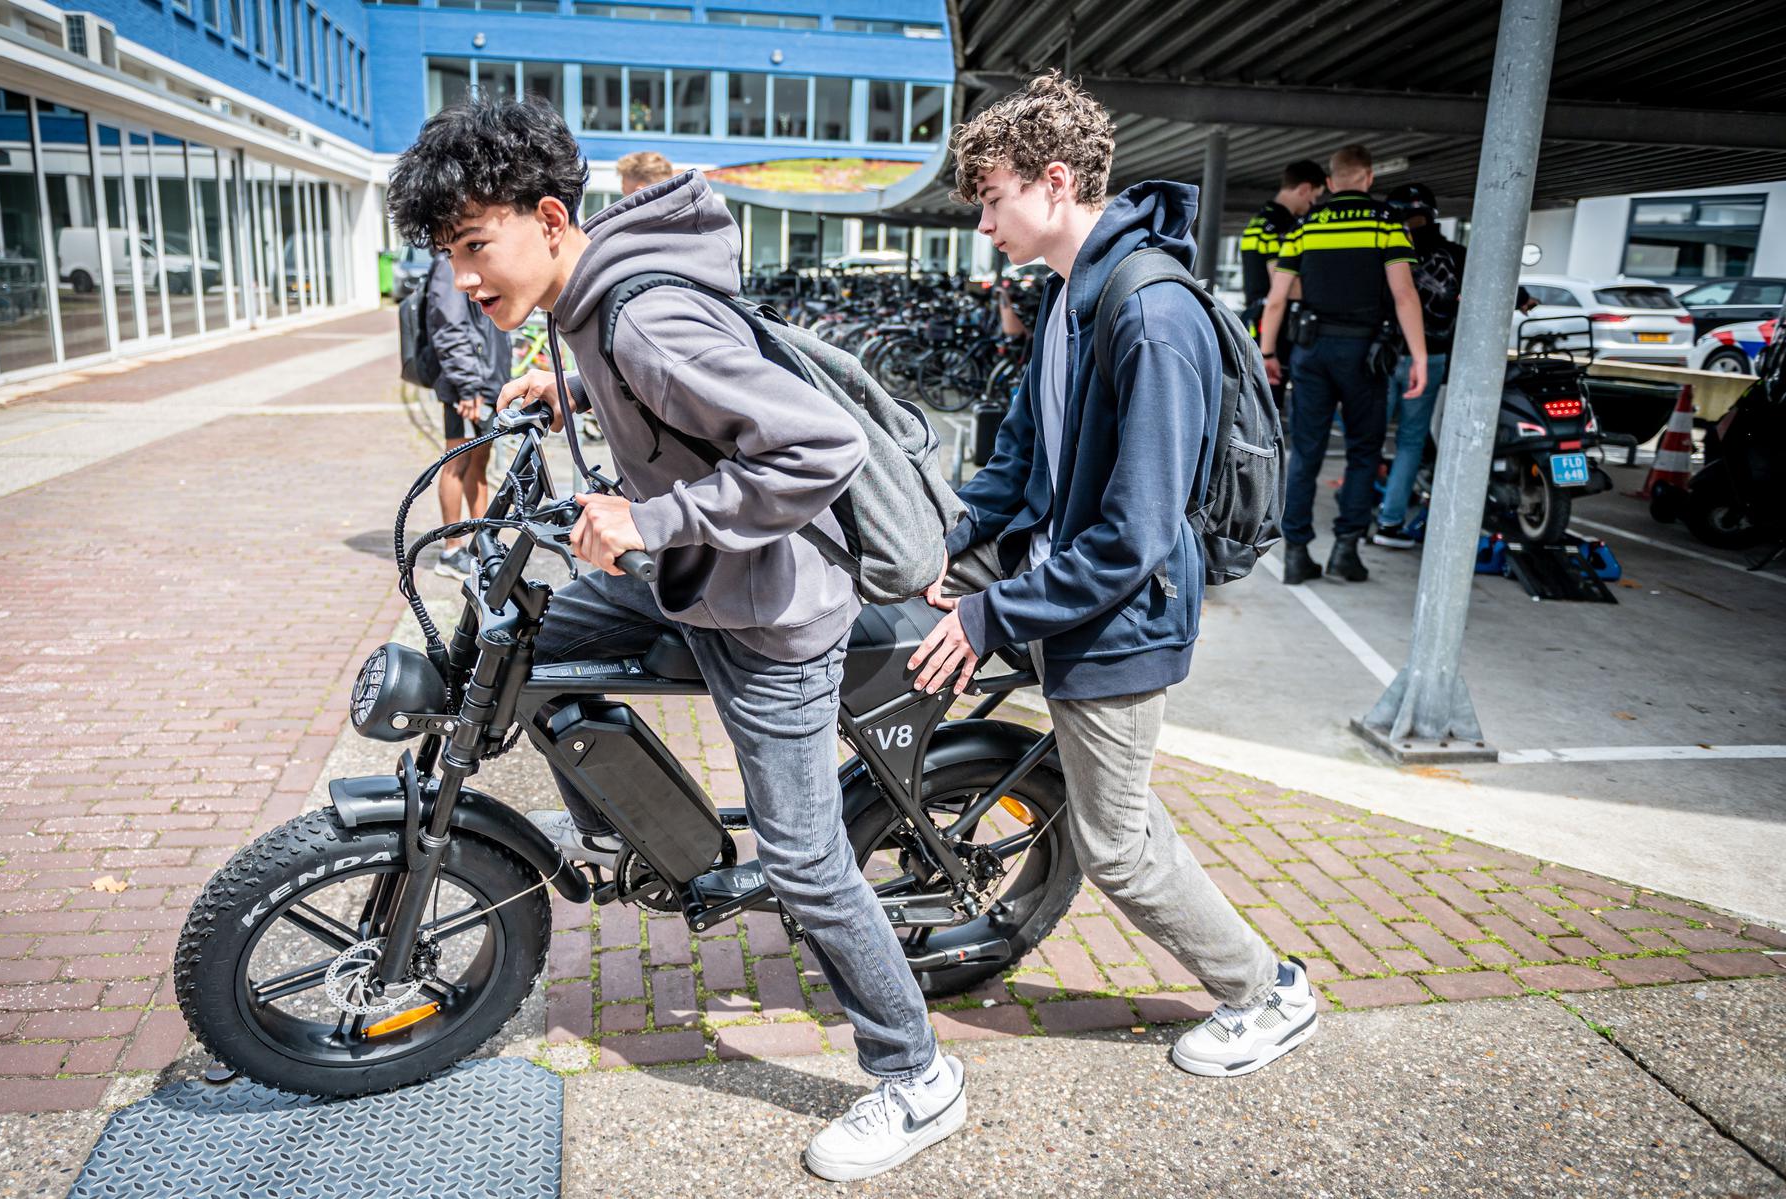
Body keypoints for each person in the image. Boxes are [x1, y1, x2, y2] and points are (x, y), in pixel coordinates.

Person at [384, 96, 962, 1183]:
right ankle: (617, 824)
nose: (462, 277)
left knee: (804, 857)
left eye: (474, 244)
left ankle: (918, 1075)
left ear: (551, 217)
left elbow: (819, 445)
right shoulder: (583, 307)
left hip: (771, 612)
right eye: (447, 252)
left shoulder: (639, 314)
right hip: (695, 580)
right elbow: (675, 408)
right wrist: (569, 392)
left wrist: (652, 519)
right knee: (530, 639)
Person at [913, 71, 1318, 1083]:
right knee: (1127, 812)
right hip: (1078, 606)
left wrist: (987, 614)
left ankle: (1265, 993)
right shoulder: (1066, 297)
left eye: (993, 197)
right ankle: (1260, 975)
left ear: (1056, 182)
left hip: (1120, 621)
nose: (984, 222)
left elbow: (1135, 533)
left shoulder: (1148, 314)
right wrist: (951, 542)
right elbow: (1021, 458)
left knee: (1119, 848)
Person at [1258, 143, 1428, 585]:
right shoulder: (1386, 224)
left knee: (1305, 454)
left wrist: (1268, 353)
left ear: (1331, 183)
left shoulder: (1305, 227)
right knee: (1363, 452)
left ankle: (1295, 553)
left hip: (1310, 353)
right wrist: (1420, 357)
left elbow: (1277, 299)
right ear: (1369, 179)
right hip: (1365, 356)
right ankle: (1345, 552)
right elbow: (1405, 295)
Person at [1374, 183, 1464, 548]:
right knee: (1410, 442)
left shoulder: (1384, 243)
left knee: (1369, 439)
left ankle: (1353, 517)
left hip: (1384, 354)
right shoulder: (1457, 253)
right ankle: (1389, 522)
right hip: (1432, 355)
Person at [423, 248, 508, 579]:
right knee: (457, 462)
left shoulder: (476, 260)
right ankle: (451, 549)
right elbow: (450, 326)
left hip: (487, 381)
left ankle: (483, 543)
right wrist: (467, 385)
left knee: (479, 464)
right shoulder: (448, 264)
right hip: (466, 385)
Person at [1239, 159, 1327, 336]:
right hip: (1275, 326)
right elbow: (1286, 286)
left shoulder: (1258, 221)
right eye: (1314, 197)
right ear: (1304, 189)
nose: (1313, 204)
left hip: (1253, 319)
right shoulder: (1283, 227)